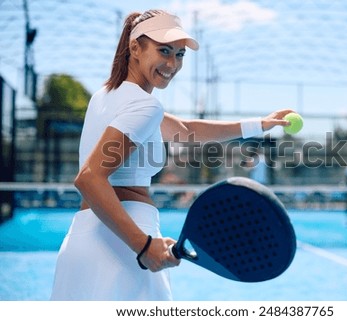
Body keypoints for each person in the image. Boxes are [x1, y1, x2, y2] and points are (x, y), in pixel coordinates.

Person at [50, 9, 294, 300]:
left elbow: (186, 130)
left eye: (179, 54)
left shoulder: (104, 96)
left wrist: (259, 124)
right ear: (135, 47)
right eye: (164, 50)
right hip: (123, 247)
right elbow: (89, 179)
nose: (172, 63)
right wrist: (142, 245)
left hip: (82, 240)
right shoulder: (144, 106)